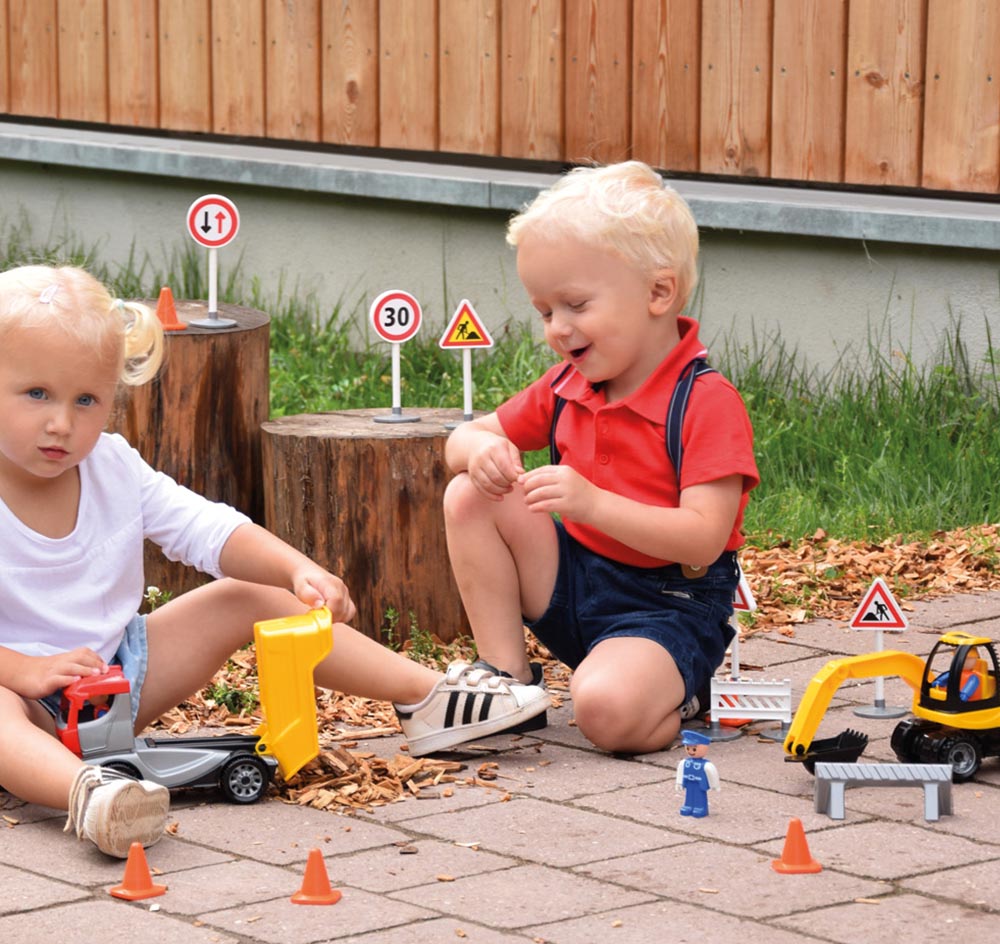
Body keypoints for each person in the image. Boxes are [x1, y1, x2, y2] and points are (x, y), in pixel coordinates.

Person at [0, 264, 548, 858]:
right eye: (36, 394)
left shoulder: (112, 466)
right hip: (19, 699)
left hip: (112, 679)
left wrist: (295, 569)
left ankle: (428, 699)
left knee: (249, 596)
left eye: (86, 400)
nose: (62, 422)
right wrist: (20, 672)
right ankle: (92, 796)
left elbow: (205, 527)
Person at [443, 161, 758, 755]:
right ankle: (508, 681)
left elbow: (702, 540)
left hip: (668, 606)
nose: (557, 328)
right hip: (574, 583)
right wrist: (482, 448)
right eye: (544, 311)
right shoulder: (568, 385)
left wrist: (591, 503)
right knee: (469, 490)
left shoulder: (705, 402)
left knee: (605, 713)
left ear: (658, 292)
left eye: (576, 305)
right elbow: (461, 439)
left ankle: (680, 691)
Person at [676, 729, 719, 818]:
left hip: (700, 784)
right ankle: (688, 806)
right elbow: (680, 772)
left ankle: (700, 808)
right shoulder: (685, 762)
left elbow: (712, 773)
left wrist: (714, 785)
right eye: (688, 748)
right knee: (689, 795)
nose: (691, 751)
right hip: (688, 782)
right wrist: (679, 782)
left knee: (699, 796)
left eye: (694, 749)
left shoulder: (706, 765)